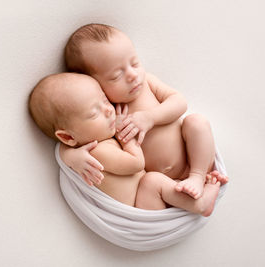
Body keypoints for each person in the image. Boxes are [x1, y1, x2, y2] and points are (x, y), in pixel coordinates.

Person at [63, 23, 228, 199]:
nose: (132, 75)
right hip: (163, 183)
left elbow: (179, 102)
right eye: (116, 76)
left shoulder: (147, 83)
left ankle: (198, 176)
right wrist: (71, 157)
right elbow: (78, 139)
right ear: (94, 84)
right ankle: (193, 193)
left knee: (197, 122)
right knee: (149, 181)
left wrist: (150, 117)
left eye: (134, 63)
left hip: (191, 158)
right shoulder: (106, 112)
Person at [29, 72, 226, 215]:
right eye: (94, 113)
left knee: (155, 179)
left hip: (151, 196)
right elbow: (136, 164)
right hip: (144, 206)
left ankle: (193, 185)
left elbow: (64, 150)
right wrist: (127, 138)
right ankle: (200, 205)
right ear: (68, 137)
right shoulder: (98, 151)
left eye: (105, 101)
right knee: (152, 180)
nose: (108, 110)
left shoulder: (97, 141)